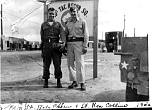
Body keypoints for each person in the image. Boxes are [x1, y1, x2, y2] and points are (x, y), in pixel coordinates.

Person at [65, 6, 89, 91]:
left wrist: (85, 45)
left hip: (79, 43)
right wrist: (65, 45)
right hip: (70, 44)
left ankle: (82, 82)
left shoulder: (82, 22)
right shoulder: (68, 23)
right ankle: (74, 81)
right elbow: (65, 34)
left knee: (80, 63)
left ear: (77, 12)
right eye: (71, 12)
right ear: (70, 13)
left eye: (74, 12)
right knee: (70, 63)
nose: (73, 13)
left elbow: (86, 34)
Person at [40, 7, 66, 88]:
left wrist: (62, 44)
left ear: (55, 15)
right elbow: (42, 37)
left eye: (53, 14)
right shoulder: (43, 24)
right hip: (46, 46)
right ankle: (46, 81)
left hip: (56, 46)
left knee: (57, 64)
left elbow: (62, 35)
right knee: (46, 65)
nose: (51, 15)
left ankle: (58, 81)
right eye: (50, 13)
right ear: (48, 14)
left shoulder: (58, 24)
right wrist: (42, 49)